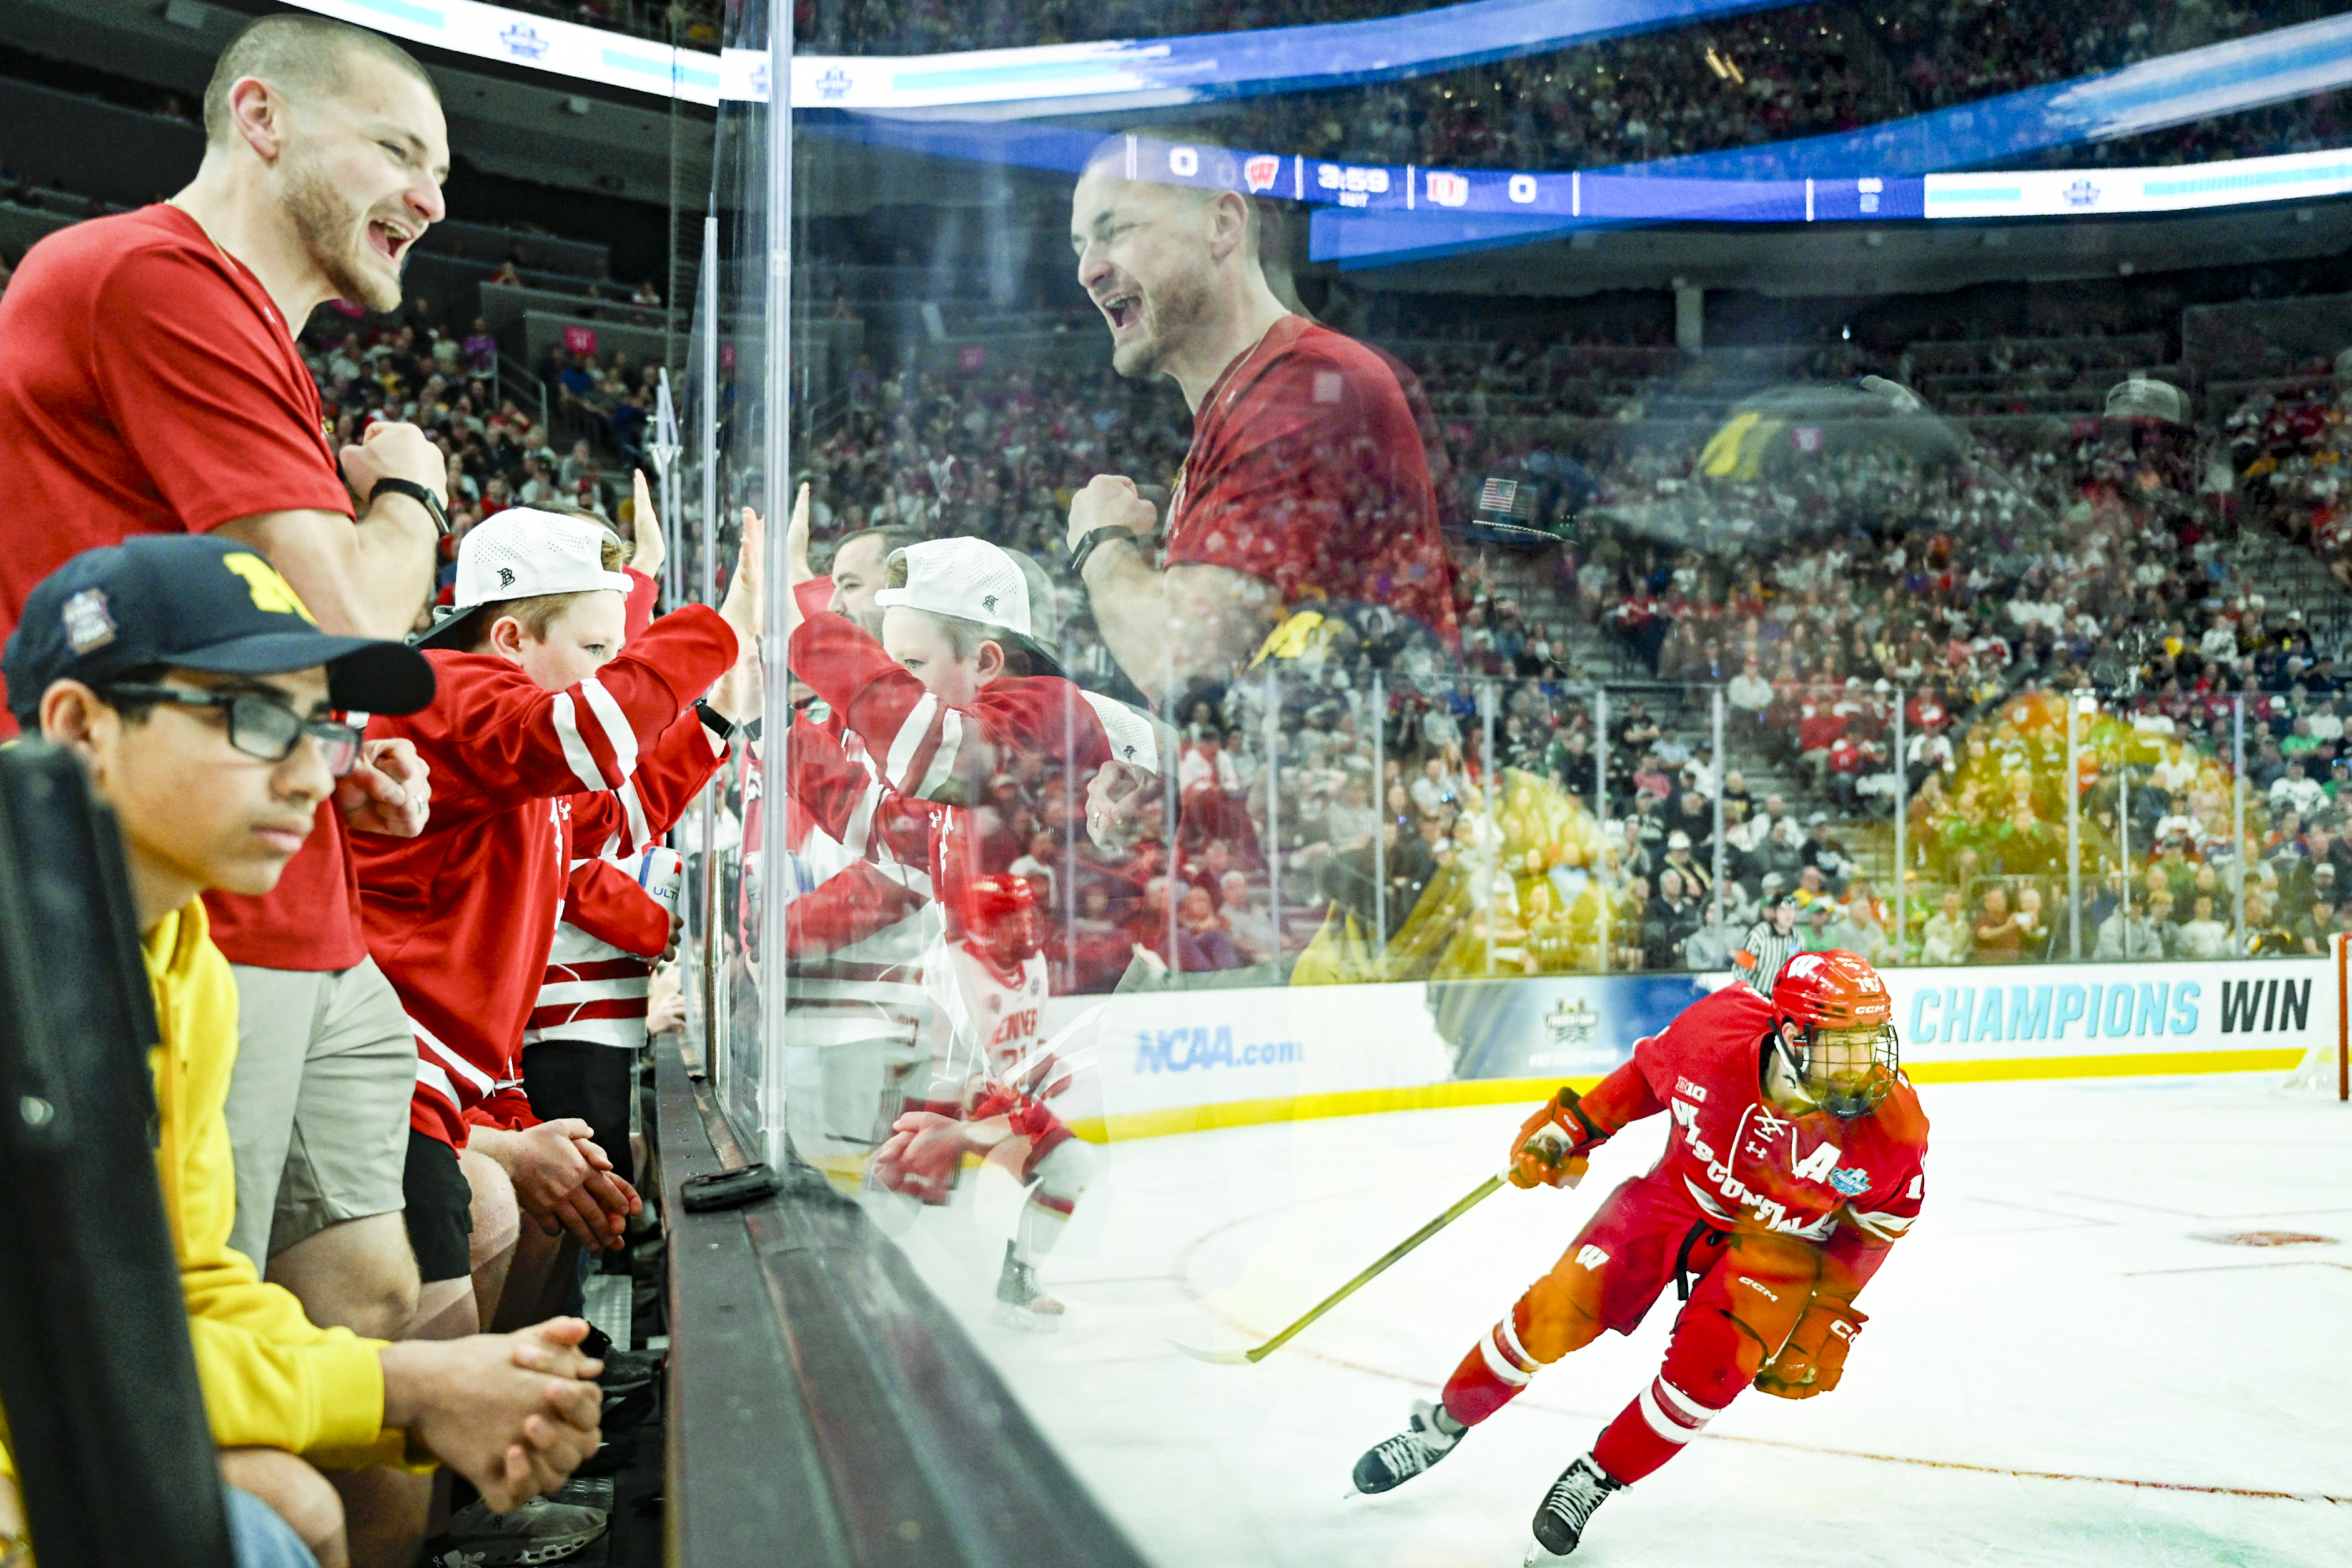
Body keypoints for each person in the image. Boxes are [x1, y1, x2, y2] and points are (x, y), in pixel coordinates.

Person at [0, 18, 465, 1543]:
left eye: (444, 170)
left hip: (275, 896)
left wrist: (332, 755)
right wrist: (408, 488)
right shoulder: (159, 275)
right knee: (230, 1395)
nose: (434, 199)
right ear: (258, 118)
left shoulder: (236, 328)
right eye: (399, 148)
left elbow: (285, 650)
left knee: (378, 1298)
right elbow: (354, 610)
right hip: (183, 901)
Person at [0, 536, 604, 1565]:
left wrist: (432, 1403)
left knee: (293, 1505)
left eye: (323, 726)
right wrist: (405, 1389)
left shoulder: (179, 948)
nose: (307, 776)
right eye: (254, 717)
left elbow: (189, 1289)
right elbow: (61, 1347)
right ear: (78, 723)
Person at [1350, 950, 1926, 1562]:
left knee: (1707, 1376)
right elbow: (1646, 1080)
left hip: (1780, 1247)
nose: (1861, 1067)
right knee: (1556, 1312)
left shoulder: (1892, 1127)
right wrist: (1572, 1128)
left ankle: (1596, 1478)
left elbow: (1875, 1227)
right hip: (1679, 1197)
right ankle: (1441, 1427)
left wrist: (1828, 1309)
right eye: (1841, 1047)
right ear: (1788, 1033)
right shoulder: (1716, 1032)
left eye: (1869, 1044)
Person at [355, 506, 756, 1358]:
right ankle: (460, 1451)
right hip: (398, 1065)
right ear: (508, 637)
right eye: (599, 651)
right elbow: (590, 739)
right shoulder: (442, 690)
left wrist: (715, 721)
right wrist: (720, 630)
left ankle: (493, 1475)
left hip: (461, 1070)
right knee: (494, 1222)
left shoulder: (500, 740)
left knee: (569, 1194)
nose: (613, 672)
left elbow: (611, 817)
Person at [1060, 137, 1456, 708]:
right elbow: (1240, 707)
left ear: (1222, 225)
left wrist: (1101, 543)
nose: (1088, 270)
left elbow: (1181, 665)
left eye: (1115, 230)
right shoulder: (1249, 403)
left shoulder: (1314, 389)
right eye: (1080, 245)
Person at [874, 874, 1096, 1327]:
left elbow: (1018, 1043)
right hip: (943, 1099)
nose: (1029, 926)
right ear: (987, 926)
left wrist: (1047, 1059)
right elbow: (941, 1052)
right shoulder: (953, 966)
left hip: (997, 1099)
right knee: (903, 1203)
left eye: (1030, 914)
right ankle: (857, 1279)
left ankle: (1018, 1280)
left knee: (1072, 1165)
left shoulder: (1031, 964)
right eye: (1016, 918)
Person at [1731, 892, 1800, 997]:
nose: (1789, 914)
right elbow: (1740, 970)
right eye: (1783, 910)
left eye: (1792, 910)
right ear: (1774, 912)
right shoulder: (1759, 935)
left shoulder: (1797, 938)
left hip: (1782, 1001)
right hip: (1756, 999)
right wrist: (1750, 995)